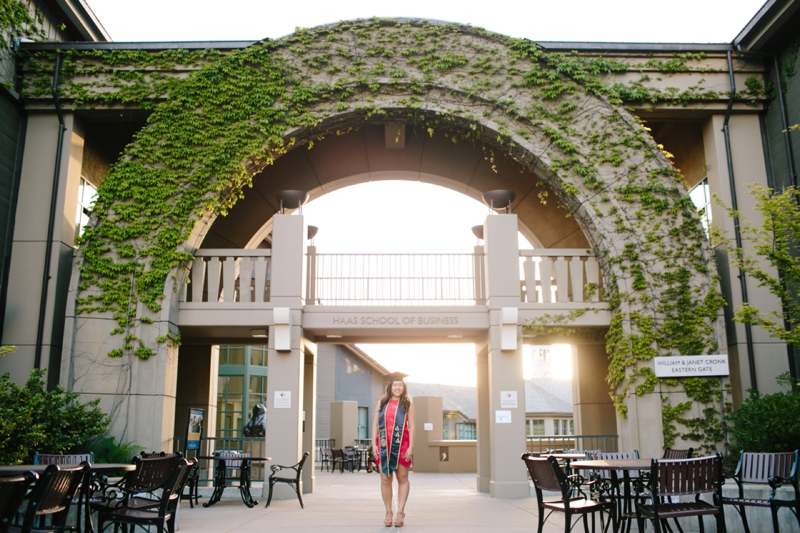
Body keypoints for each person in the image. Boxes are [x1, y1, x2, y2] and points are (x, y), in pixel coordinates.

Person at [372, 372, 415, 528]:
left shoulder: (408, 403)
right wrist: (374, 443)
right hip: (383, 445)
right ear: (390, 386)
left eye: (400, 385)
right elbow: (375, 424)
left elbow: (412, 426)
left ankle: (400, 512)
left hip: (402, 445)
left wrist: (411, 447)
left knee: (402, 478)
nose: (397, 388)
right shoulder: (382, 402)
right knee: (385, 479)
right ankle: (388, 512)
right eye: (395, 385)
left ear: (404, 387)